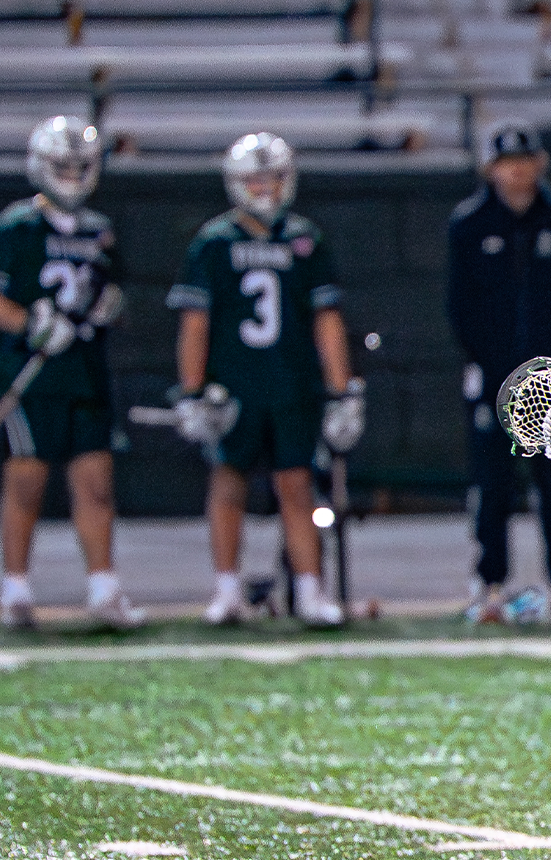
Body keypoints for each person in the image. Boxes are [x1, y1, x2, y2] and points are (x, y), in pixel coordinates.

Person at [167, 131, 361, 629]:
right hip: (234, 384)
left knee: (296, 486)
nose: (265, 187)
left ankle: (310, 590)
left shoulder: (304, 239)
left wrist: (342, 390)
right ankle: (227, 588)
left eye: (273, 177)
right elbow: (196, 323)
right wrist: (191, 390)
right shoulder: (215, 242)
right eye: (255, 178)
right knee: (228, 483)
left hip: (292, 382)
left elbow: (326, 320)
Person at [0, 116, 143, 630]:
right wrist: (30, 322)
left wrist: (110, 305)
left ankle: (104, 589)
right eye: (61, 166)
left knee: (97, 484)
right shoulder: (14, 227)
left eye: (80, 166)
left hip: (84, 372)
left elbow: (114, 295)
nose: (71, 176)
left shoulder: (98, 231)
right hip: (32, 373)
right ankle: (15, 590)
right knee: (26, 482)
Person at [446, 120, 551, 626]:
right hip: (491, 376)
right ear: (491, 168)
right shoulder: (469, 224)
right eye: (508, 163)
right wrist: (488, 364)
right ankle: (489, 585)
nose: (518, 172)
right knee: (492, 483)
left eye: (526, 161)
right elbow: (459, 305)